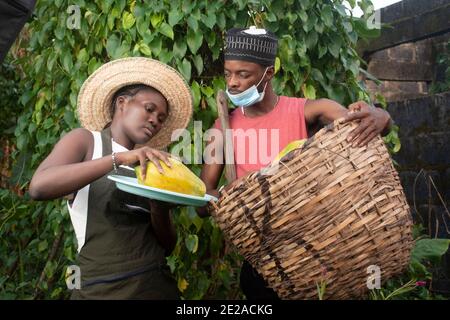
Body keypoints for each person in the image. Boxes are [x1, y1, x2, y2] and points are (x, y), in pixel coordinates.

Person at [199, 27, 393, 300]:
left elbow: (365, 124)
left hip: (318, 256)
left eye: (243, 74)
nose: (232, 82)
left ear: (268, 74)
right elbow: (202, 201)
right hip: (264, 265)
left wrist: (382, 115)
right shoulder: (222, 129)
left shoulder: (308, 111)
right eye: (228, 73)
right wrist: (230, 198)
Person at [29, 57, 193, 299]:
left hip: (155, 284)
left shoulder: (152, 163)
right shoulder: (86, 142)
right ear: (122, 103)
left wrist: (159, 206)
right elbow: (39, 187)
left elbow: (167, 246)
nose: (155, 121)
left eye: (161, 118)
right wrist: (119, 159)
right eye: (149, 109)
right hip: (101, 288)